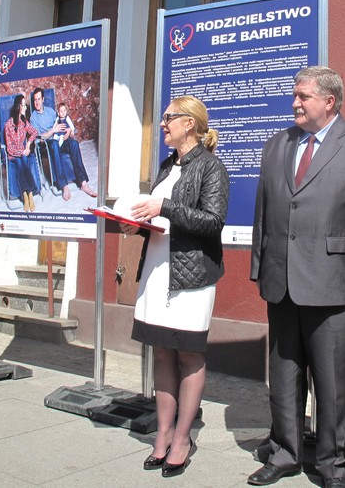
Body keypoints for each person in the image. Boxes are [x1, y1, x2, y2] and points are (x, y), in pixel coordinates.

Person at [249, 66, 345, 488]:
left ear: (330, 101)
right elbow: (264, 211)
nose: (294, 102)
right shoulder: (278, 144)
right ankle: (285, 453)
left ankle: (333, 465)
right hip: (281, 282)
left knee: (331, 384)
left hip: (333, 283)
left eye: (303, 96)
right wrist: (260, 266)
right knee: (284, 377)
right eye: (295, 95)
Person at [119, 96, 229, 478]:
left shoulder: (212, 167)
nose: (163, 124)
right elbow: (159, 220)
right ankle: (163, 433)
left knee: (189, 355)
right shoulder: (167, 166)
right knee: (162, 353)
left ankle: (183, 438)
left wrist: (163, 208)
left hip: (191, 275)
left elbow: (213, 222)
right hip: (157, 270)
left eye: (169, 118)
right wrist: (136, 225)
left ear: (190, 124)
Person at [29, 86, 97, 200]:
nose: (37, 102)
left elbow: (62, 123)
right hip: (46, 145)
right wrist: (53, 131)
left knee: (74, 144)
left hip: (59, 140)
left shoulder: (51, 112)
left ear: (43, 99)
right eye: (35, 100)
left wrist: (69, 130)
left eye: (39, 99)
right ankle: (64, 185)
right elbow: (39, 138)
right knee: (54, 144)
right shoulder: (33, 118)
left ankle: (83, 183)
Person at [4, 94, 41, 212]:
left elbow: (35, 132)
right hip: (13, 155)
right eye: (24, 105)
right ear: (18, 107)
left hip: (24, 152)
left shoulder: (24, 122)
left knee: (24, 159)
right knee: (20, 162)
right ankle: (26, 194)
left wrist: (28, 143)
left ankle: (28, 193)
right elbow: (9, 148)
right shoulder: (8, 125)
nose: (26, 108)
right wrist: (22, 152)